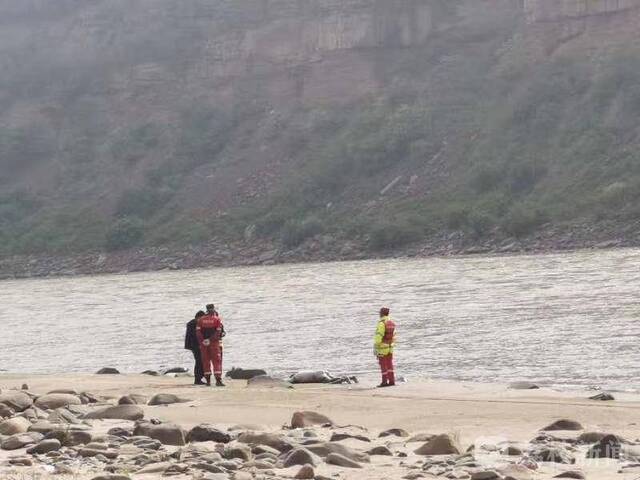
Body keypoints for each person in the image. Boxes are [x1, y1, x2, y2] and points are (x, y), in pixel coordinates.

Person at [196, 303, 226, 387]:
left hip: (204, 344)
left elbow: (198, 332)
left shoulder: (200, 320)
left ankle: (208, 381)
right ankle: (218, 380)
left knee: (206, 362)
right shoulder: (217, 319)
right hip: (214, 343)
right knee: (217, 361)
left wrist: (203, 340)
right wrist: (210, 340)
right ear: (213, 309)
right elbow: (218, 332)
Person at [374, 307, 396, 388]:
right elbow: (394, 336)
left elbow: (378, 336)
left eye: (380, 312)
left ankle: (384, 382)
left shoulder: (381, 323)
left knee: (383, 365)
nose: (379, 314)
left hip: (382, 348)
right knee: (390, 365)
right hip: (390, 347)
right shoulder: (391, 323)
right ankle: (392, 381)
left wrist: (376, 347)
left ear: (382, 313)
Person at [185, 311, 206, 385]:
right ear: (198, 317)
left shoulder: (192, 323)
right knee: (199, 362)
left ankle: (199, 378)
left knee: (199, 361)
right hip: (195, 346)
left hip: (193, 345)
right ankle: (198, 379)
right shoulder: (193, 323)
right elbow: (194, 336)